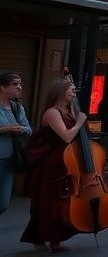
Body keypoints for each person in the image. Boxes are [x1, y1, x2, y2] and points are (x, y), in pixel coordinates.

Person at [19, 78, 86, 252]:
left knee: (60, 202)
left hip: (64, 161)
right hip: (49, 163)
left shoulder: (69, 110)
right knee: (46, 200)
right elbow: (66, 136)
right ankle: (40, 237)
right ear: (61, 92)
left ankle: (56, 239)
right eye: (71, 90)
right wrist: (79, 123)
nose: (74, 93)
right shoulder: (52, 113)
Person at [0, 72, 32, 216]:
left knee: (3, 203)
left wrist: (19, 129)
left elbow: (28, 129)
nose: (19, 87)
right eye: (15, 84)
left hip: (10, 160)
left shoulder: (17, 108)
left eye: (20, 84)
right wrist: (6, 129)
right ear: (2, 87)